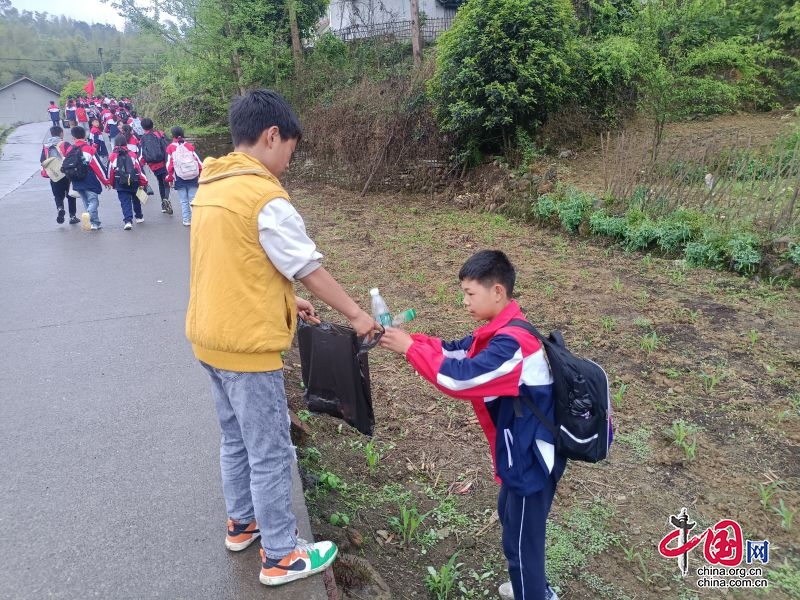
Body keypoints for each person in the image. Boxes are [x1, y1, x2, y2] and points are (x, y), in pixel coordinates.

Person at [185, 88, 379, 588]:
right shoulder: (263, 197)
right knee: (271, 449)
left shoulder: (212, 184)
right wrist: (357, 315)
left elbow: (232, 262)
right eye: (290, 150)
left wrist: (287, 300)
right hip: (247, 349)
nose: (287, 164)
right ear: (272, 136)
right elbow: (307, 267)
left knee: (235, 439)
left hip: (209, 338)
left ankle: (241, 523)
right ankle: (279, 554)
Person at [379, 250, 564, 600]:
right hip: (518, 450)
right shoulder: (499, 331)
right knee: (513, 523)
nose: (464, 301)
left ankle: (535, 592)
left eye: (469, 293)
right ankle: (533, 587)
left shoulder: (513, 343)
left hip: (534, 458)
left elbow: (461, 379)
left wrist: (408, 349)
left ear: (497, 291)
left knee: (523, 537)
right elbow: (454, 352)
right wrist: (409, 340)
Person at [67, 126, 111, 230]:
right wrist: (106, 181)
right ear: (85, 136)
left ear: (73, 137)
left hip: (76, 181)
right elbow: (98, 167)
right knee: (93, 201)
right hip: (89, 180)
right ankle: (88, 216)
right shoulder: (89, 149)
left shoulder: (70, 149)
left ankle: (94, 223)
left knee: (87, 202)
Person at [39, 125, 79, 225]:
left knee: (57, 195)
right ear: (61, 133)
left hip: (54, 174)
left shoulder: (46, 147)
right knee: (70, 194)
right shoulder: (64, 144)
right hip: (66, 173)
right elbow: (72, 155)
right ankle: (72, 216)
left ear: (51, 134)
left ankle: (60, 208)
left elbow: (42, 160)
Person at [108, 133, 147, 230]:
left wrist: (111, 183)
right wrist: (143, 182)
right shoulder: (132, 154)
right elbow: (139, 169)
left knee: (125, 202)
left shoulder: (113, 156)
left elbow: (110, 171)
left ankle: (128, 221)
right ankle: (139, 216)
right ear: (126, 143)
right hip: (134, 181)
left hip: (120, 182)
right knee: (136, 199)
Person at [165, 126, 202, 226]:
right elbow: (198, 162)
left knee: (184, 201)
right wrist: (200, 173)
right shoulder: (189, 146)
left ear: (172, 135)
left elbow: (169, 165)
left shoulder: (170, 148)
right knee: (193, 199)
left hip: (180, 177)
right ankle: (195, 219)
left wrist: (170, 178)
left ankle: (186, 220)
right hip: (193, 177)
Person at [139, 118, 172, 215]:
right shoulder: (160, 133)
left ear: (143, 127)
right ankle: (166, 199)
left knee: (160, 183)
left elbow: (142, 154)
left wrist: (141, 165)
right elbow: (168, 145)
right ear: (152, 125)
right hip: (163, 162)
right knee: (166, 182)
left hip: (153, 166)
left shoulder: (143, 138)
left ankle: (163, 205)